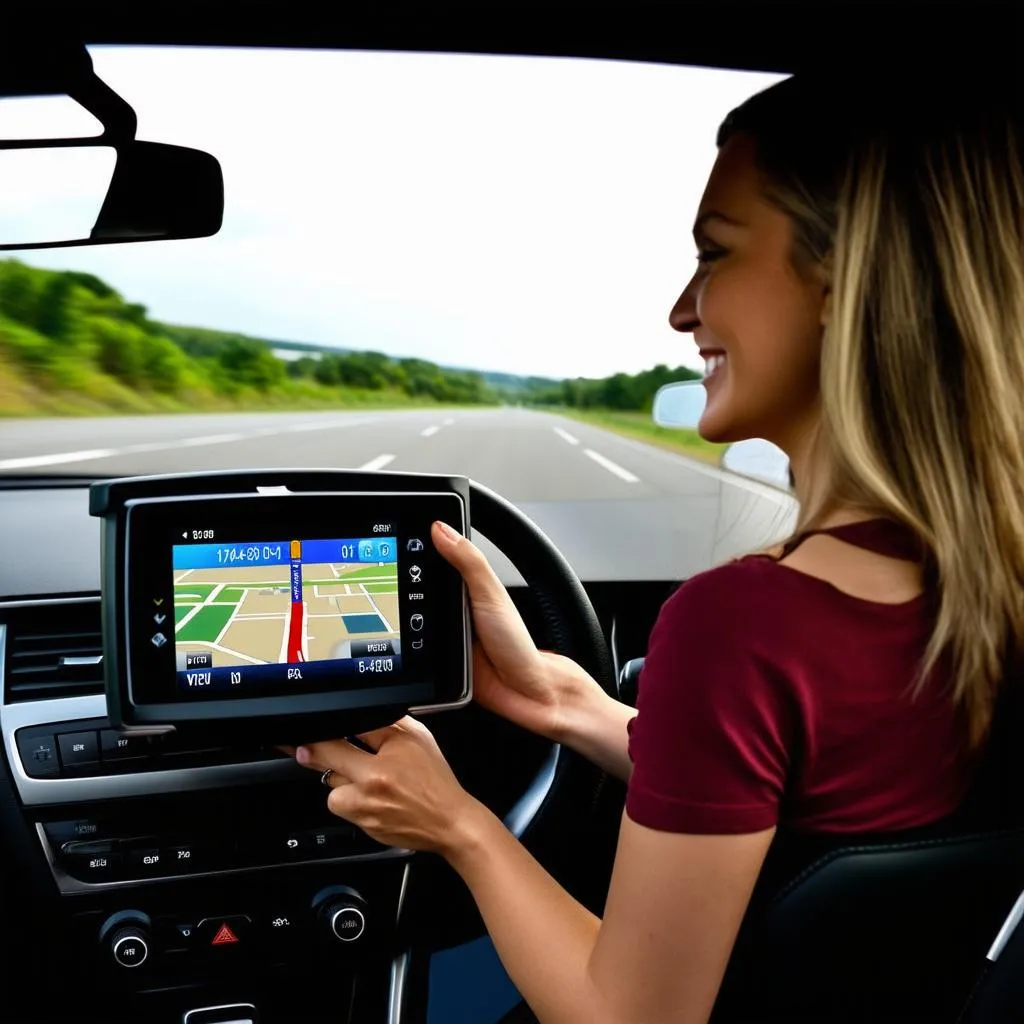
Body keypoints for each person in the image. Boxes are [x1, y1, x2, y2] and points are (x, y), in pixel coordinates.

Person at [291, 69, 1024, 1023]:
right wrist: (571, 703)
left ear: (847, 282)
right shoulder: (980, 590)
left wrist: (457, 824)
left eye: (715, 255)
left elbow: (632, 1016)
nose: (683, 309)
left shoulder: (747, 626)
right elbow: (821, 817)